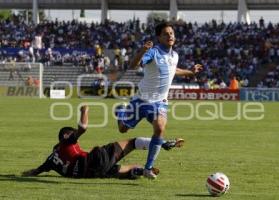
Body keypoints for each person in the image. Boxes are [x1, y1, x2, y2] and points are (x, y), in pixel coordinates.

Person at [115, 22, 202, 179]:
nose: (170, 36)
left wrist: (190, 72)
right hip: (141, 100)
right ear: (159, 37)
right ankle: (120, 112)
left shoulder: (174, 55)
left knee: (160, 128)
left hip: (159, 102)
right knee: (123, 129)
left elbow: (173, 69)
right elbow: (133, 66)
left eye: (172, 33)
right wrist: (142, 51)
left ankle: (148, 168)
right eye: (166, 34)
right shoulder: (153, 52)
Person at [22, 105, 184, 179]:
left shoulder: (51, 160)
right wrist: (84, 110)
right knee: (133, 142)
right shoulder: (67, 141)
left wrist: (24, 174)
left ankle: (139, 171)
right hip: (95, 159)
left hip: (90, 174)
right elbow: (83, 128)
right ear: (66, 135)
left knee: (119, 168)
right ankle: (163, 144)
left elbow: (35, 171)